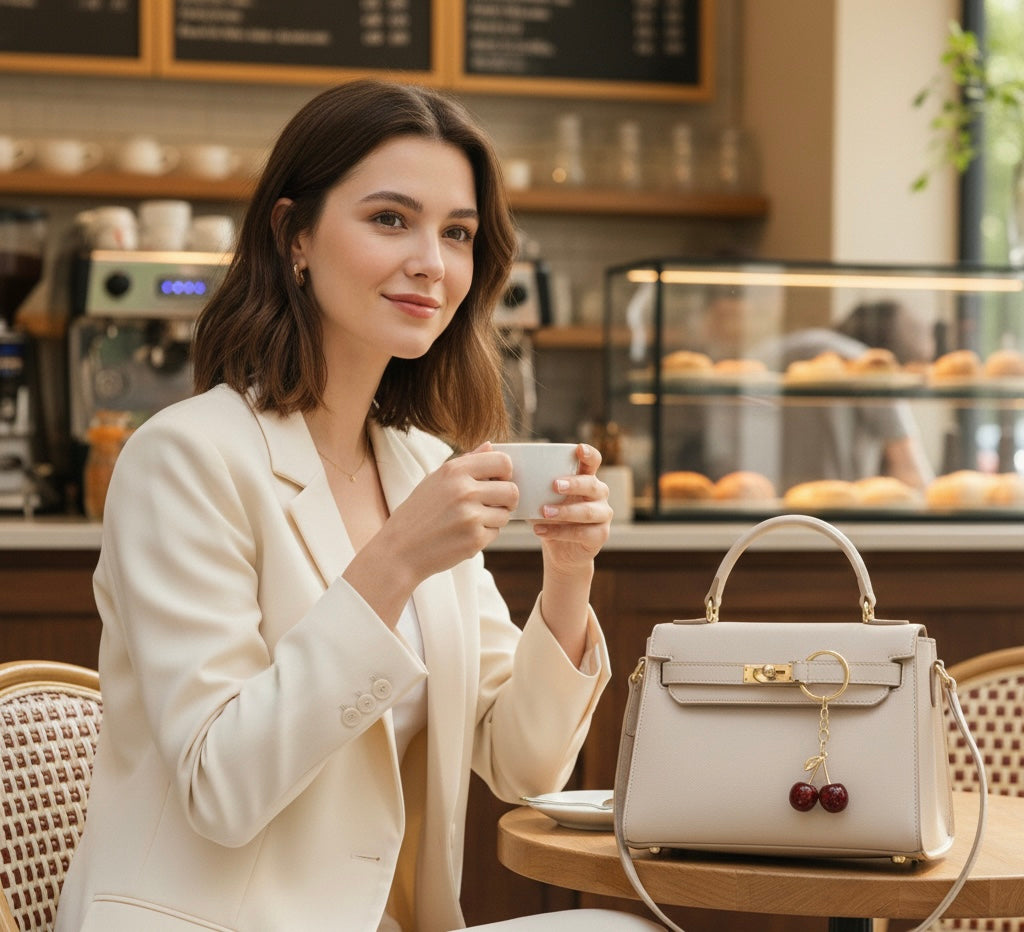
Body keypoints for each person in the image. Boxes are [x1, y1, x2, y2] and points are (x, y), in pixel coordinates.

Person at [55, 80, 656, 932]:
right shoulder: (184, 458)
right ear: (293, 236)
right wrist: (393, 561)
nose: (432, 262)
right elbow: (222, 788)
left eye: (457, 234)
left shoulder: (419, 466)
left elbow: (523, 768)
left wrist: (566, 577)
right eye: (389, 220)